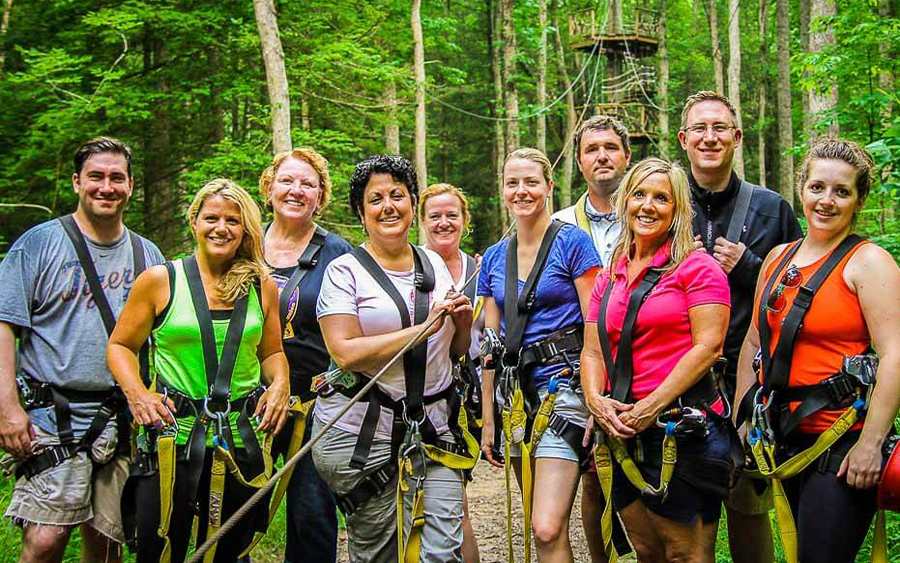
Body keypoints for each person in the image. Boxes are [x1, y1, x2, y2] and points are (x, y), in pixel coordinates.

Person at [106, 179, 290, 562]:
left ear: (245, 231)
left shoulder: (262, 286)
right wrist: (138, 394)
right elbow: (121, 346)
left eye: (232, 221)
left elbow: (272, 352)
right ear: (194, 222)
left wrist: (281, 384)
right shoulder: (161, 280)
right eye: (211, 218)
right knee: (159, 548)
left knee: (230, 550)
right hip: (172, 439)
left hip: (239, 439)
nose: (221, 228)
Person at [734, 139, 900, 563]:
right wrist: (741, 419)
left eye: (841, 191)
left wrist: (871, 443)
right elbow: (754, 341)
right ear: (801, 189)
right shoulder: (776, 259)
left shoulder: (868, 263)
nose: (826, 200)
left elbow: (896, 353)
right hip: (783, 440)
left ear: (859, 199)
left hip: (841, 442)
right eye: (817, 187)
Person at [0, 137, 164, 562]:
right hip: (50, 415)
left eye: (116, 177)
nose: (106, 187)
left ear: (130, 185)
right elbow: (4, 326)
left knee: (108, 541)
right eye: (96, 176)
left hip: (119, 418)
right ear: (77, 182)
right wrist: (7, 408)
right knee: (45, 540)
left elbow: (162, 336)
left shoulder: (148, 255)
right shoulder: (38, 246)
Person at [311, 155, 476, 563]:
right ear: (361, 213)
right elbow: (344, 352)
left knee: (443, 551)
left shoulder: (434, 263)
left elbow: (452, 352)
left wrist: (465, 325)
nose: (389, 206)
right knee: (379, 554)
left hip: (433, 430)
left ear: (412, 202)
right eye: (376, 199)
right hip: (363, 436)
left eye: (398, 196)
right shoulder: (343, 271)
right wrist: (418, 331)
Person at [582, 158, 737, 562]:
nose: (647, 206)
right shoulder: (609, 274)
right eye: (639, 195)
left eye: (661, 198)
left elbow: (709, 346)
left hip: (681, 429)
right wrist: (596, 402)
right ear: (624, 203)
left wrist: (652, 406)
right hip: (623, 429)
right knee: (647, 550)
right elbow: (592, 349)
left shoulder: (697, 268)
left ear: (677, 209)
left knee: (684, 554)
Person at [679, 90, 802, 563]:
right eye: (701, 129)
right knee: (686, 510)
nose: (710, 138)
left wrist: (750, 266)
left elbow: (799, 294)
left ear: (737, 137)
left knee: (749, 506)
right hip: (679, 380)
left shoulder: (772, 209)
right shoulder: (662, 201)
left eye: (720, 128)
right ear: (684, 139)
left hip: (749, 381)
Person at [479, 148, 601, 562]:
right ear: (503, 190)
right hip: (515, 399)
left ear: (549, 187)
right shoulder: (495, 257)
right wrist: (488, 419)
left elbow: (596, 326)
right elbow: (490, 346)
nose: (522, 191)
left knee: (546, 525)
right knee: (541, 522)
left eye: (531, 182)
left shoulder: (574, 244)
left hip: (563, 390)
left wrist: (595, 400)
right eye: (512, 183)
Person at [259, 147, 352, 563]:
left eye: (307, 185)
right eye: (287, 181)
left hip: (316, 404)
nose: (296, 191)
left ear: (320, 196)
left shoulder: (337, 252)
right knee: (235, 512)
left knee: (311, 516)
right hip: (248, 400)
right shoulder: (243, 242)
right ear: (269, 187)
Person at [552, 114, 632, 561]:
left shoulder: (651, 210)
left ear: (626, 155)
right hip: (580, 361)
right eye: (591, 149)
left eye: (610, 148)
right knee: (592, 472)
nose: (602, 156)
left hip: (644, 359)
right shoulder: (561, 225)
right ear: (580, 163)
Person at [419, 182, 483, 563]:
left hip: (477, 394)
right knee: (455, 502)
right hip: (434, 397)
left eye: (451, 215)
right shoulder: (415, 267)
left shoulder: (481, 266)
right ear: (423, 222)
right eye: (435, 216)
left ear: (465, 220)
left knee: (459, 498)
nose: (444, 223)